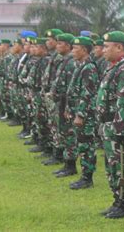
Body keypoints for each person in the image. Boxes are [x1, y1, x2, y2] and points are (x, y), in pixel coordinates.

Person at [95, 31, 124, 217]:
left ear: (119, 47)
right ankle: (117, 200)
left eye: (107, 46)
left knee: (121, 166)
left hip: (117, 126)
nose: (103, 50)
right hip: (108, 125)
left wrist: (120, 129)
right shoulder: (114, 67)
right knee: (112, 166)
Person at [60, 36, 99, 187]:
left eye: (76, 48)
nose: (73, 51)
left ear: (84, 50)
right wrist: (70, 109)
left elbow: (87, 93)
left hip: (86, 115)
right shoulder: (81, 65)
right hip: (78, 111)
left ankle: (87, 177)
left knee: (86, 145)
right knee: (81, 143)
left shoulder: (89, 67)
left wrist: (80, 114)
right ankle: (84, 175)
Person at [44, 33, 76, 166]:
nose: (57, 46)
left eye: (60, 44)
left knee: (68, 133)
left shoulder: (71, 62)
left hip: (65, 102)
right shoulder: (64, 60)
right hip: (59, 101)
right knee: (60, 130)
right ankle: (62, 158)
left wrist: (67, 106)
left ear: (68, 46)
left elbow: (70, 87)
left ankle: (70, 164)